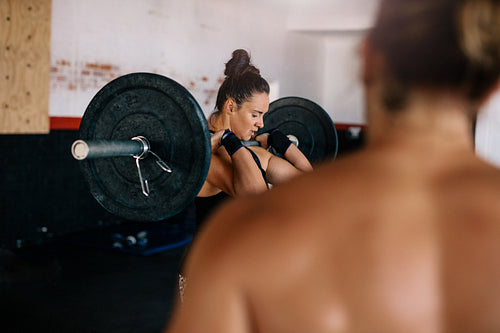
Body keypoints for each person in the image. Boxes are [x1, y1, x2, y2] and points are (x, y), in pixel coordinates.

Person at [165, 0, 500, 331]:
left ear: (366, 59)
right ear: (492, 87)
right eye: (256, 115)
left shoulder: (246, 232)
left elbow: (297, 182)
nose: (260, 123)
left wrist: (269, 144)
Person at [194, 49, 312, 229]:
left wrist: (280, 141)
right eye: (255, 115)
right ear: (231, 106)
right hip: (216, 254)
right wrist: (230, 140)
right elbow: (256, 198)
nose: (261, 124)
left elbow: (307, 187)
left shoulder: (255, 150)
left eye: (263, 116)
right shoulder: (207, 154)